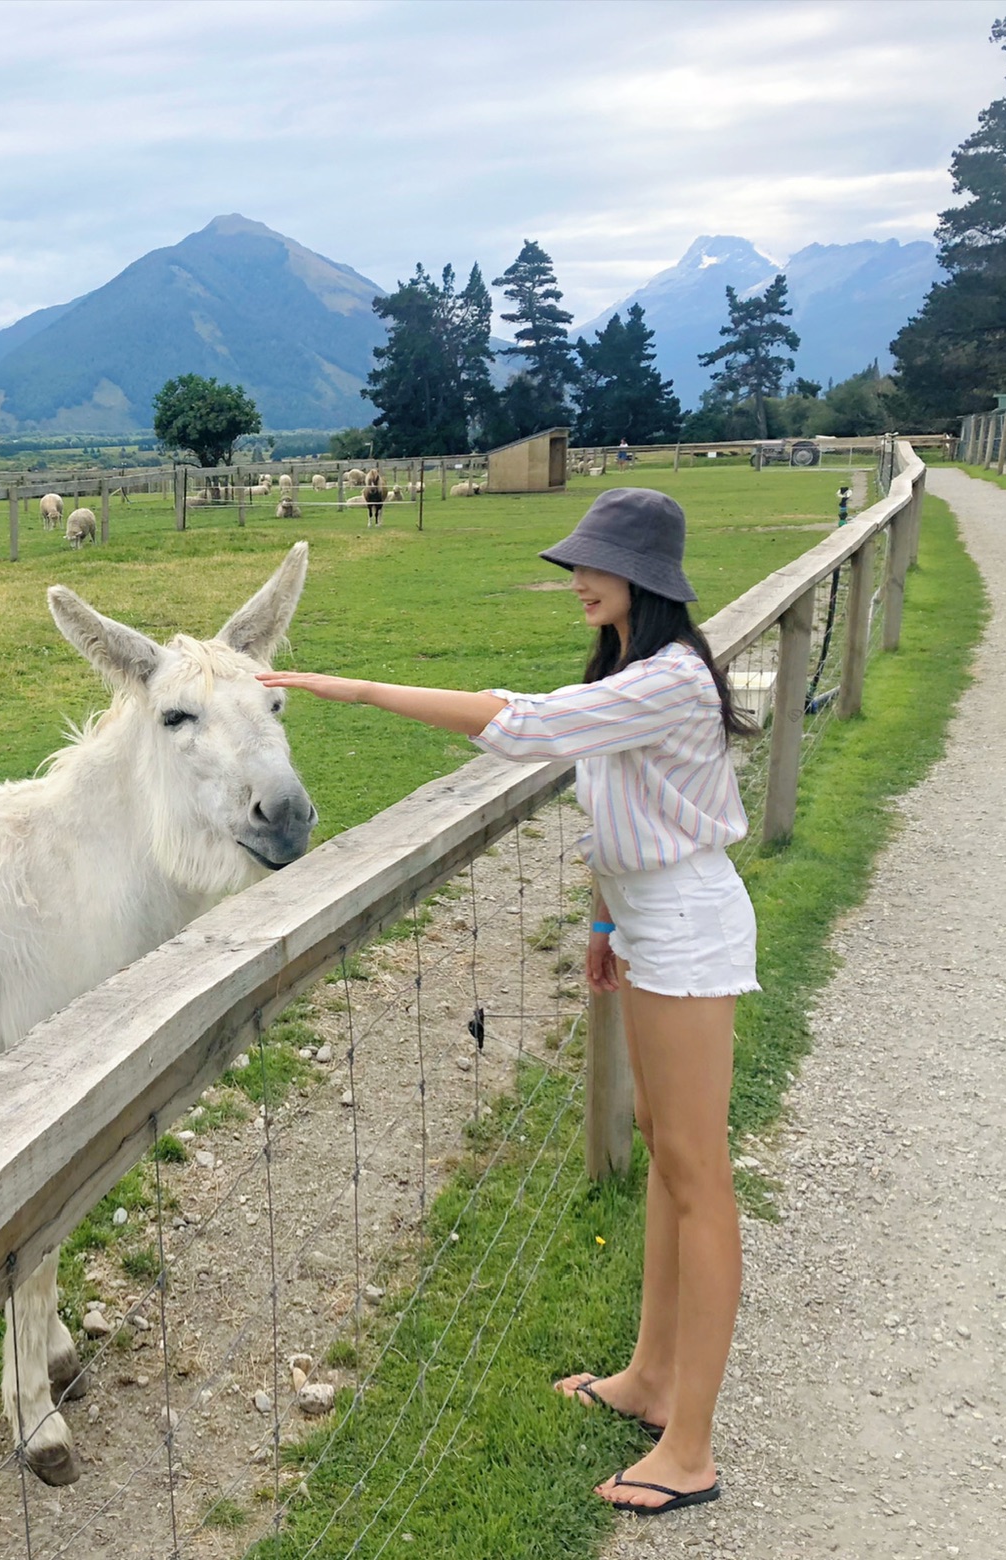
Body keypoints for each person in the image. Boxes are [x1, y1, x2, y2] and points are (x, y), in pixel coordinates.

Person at [257, 488, 757, 1517]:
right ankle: (652, 1379)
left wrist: (347, 689)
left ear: (648, 579)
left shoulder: (664, 681)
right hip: (655, 922)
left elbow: (522, 727)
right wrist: (609, 925)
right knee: (666, 1148)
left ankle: (691, 1446)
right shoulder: (628, 667)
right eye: (578, 560)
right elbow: (622, 807)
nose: (577, 577)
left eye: (597, 564)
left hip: (694, 928)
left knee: (698, 1173)